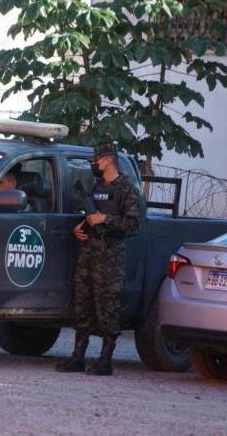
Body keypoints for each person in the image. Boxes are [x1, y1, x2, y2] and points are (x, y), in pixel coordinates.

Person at [56, 145, 140, 375]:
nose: (94, 164)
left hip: (109, 257)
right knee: (82, 306)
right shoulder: (97, 187)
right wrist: (80, 227)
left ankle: (105, 360)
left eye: (96, 160)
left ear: (107, 161)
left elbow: (133, 224)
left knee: (106, 309)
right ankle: (78, 356)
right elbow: (89, 213)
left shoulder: (126, 190)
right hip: (88, 254)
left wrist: (106, 219)